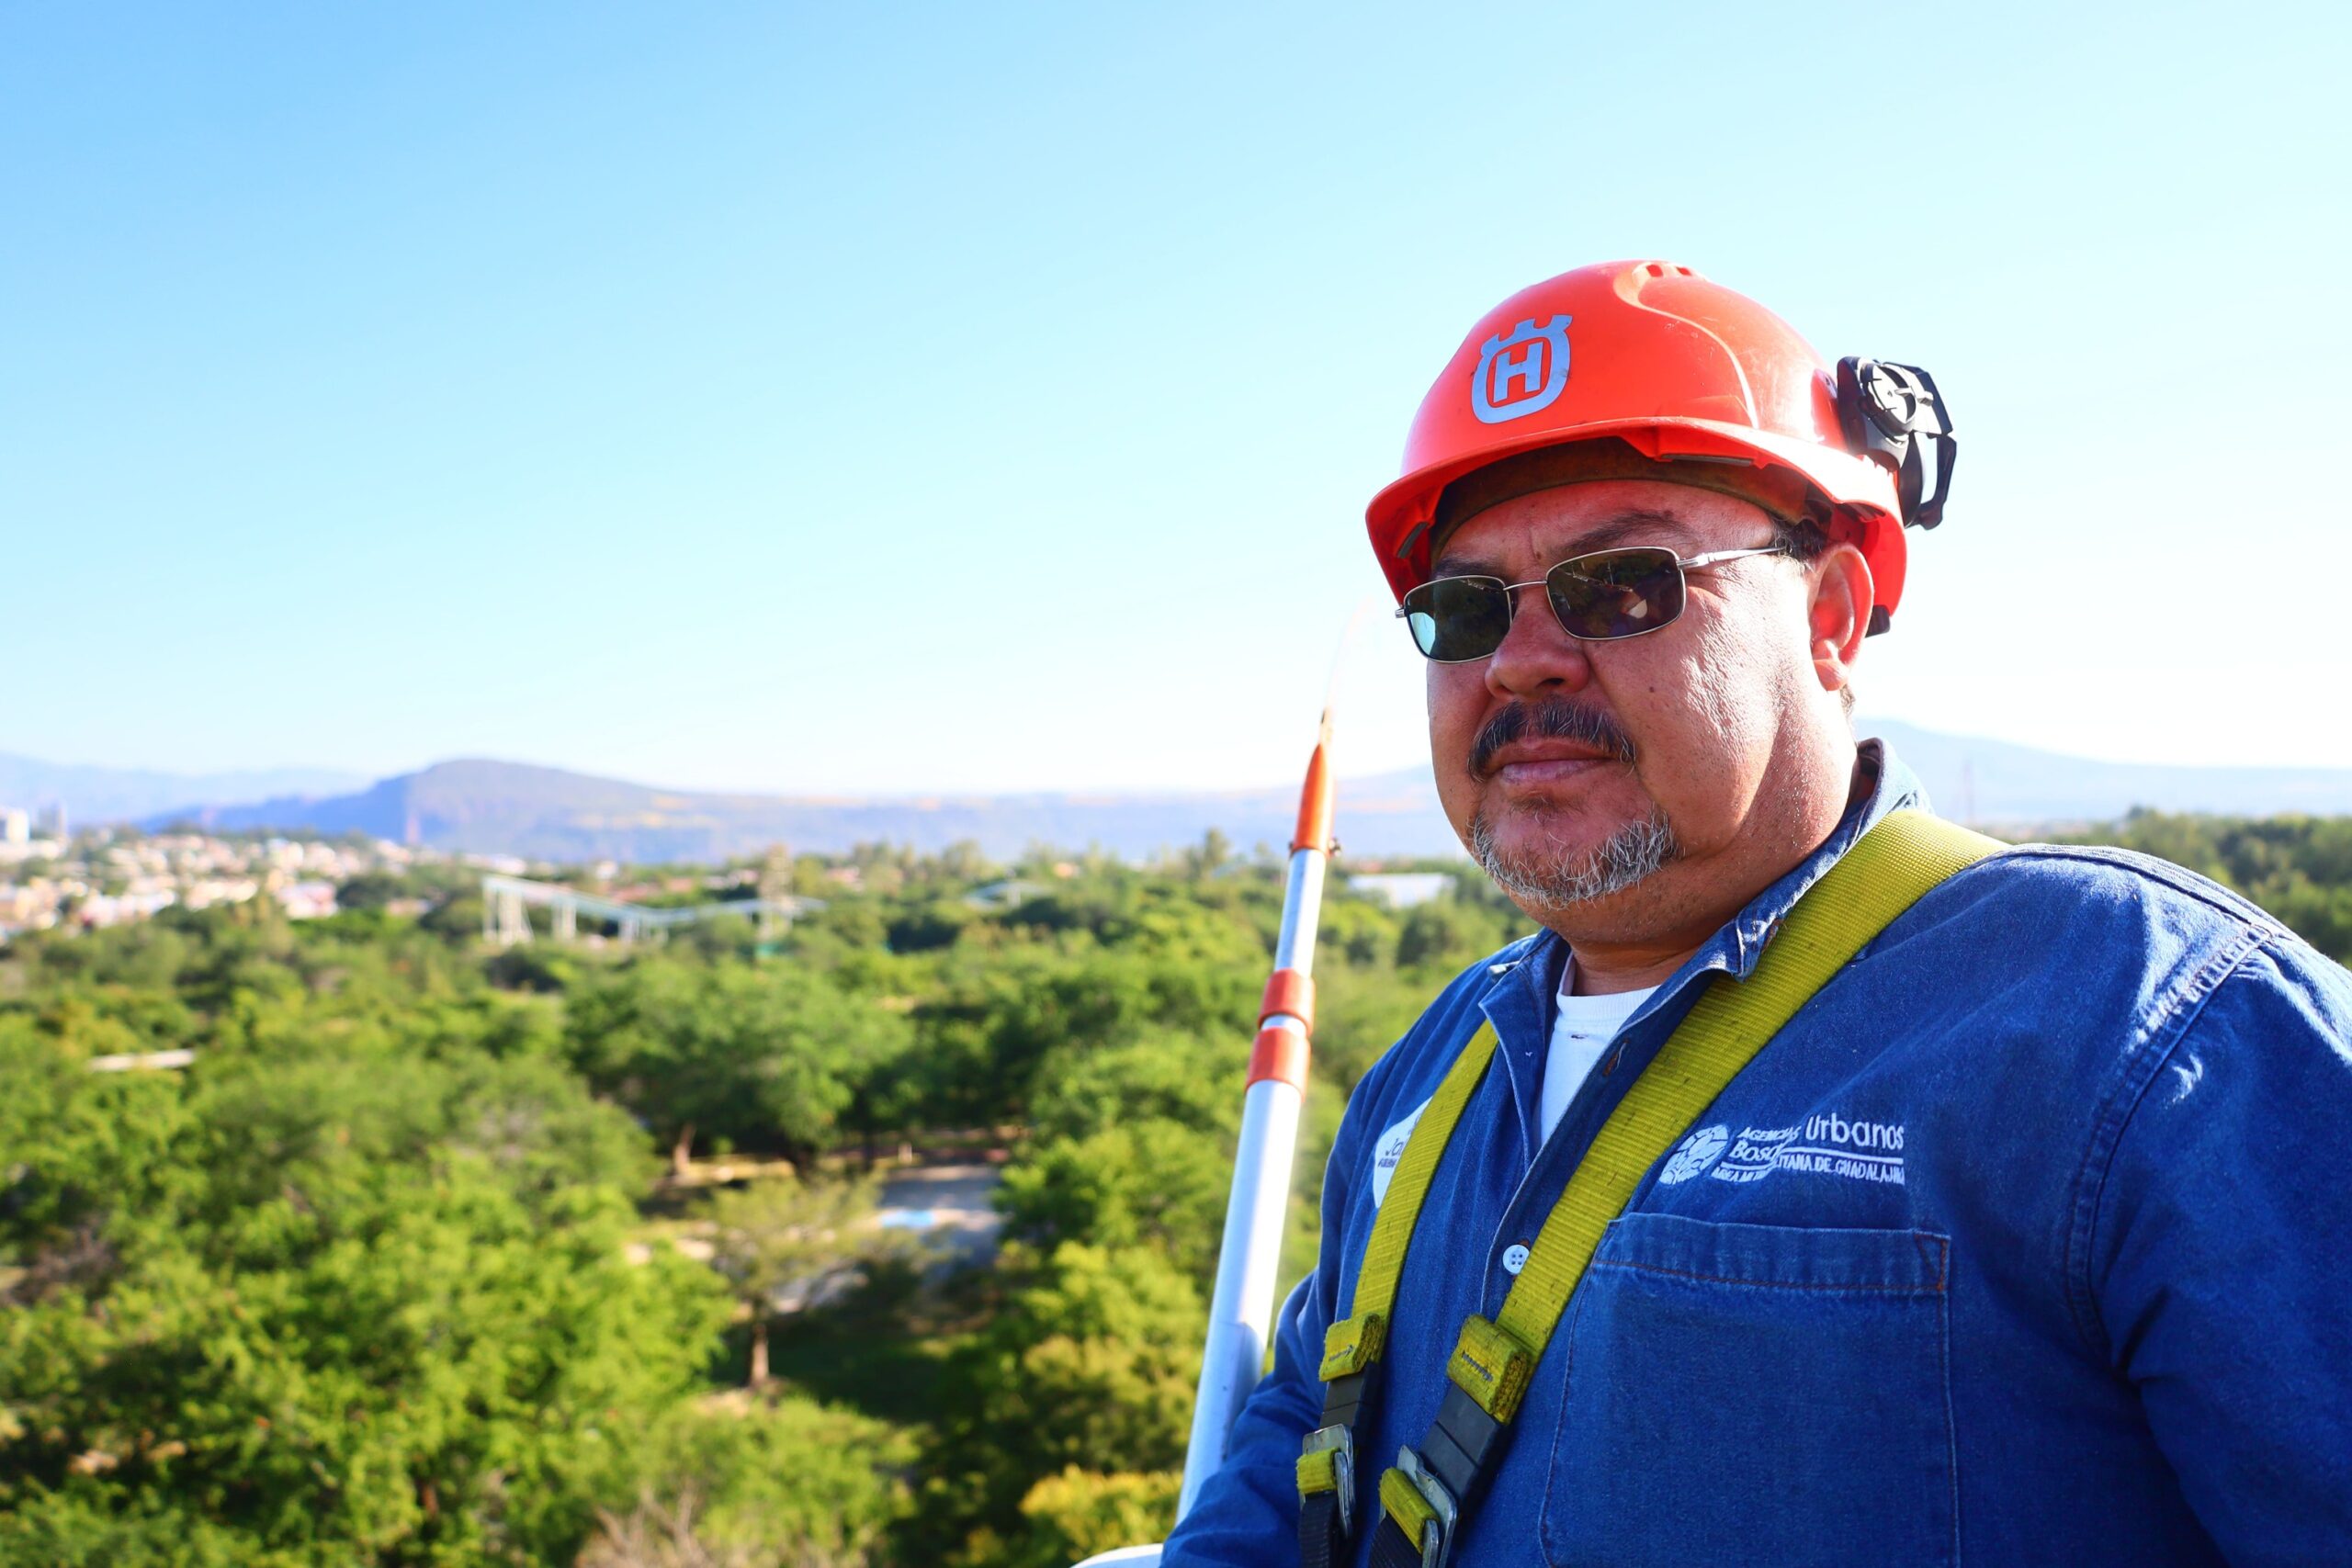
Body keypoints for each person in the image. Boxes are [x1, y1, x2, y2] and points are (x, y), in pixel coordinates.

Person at [1161, 260, 2352, 1566]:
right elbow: (1298, 1439)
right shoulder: (1430, 1072)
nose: (1519, 660)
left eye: (1620, 583)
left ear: (1832, 617)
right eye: (1462, 608)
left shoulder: (2141, 1036)